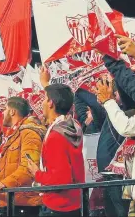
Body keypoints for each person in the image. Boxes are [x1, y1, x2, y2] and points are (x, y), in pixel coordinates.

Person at [27, 84, 85, 217]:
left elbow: (61, 180)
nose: (41, 103)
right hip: (73, 203)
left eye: (44, 98)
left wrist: (37, 173)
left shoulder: (55, 136)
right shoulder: (72, 126)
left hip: (57, 206)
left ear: (51, 103)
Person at [96, 76, 135, 215]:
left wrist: (109, 101)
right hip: (130, 183)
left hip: (129, 182)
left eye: (115, 93)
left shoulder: (128, 113)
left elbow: (126, 127)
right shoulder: (124, 112)